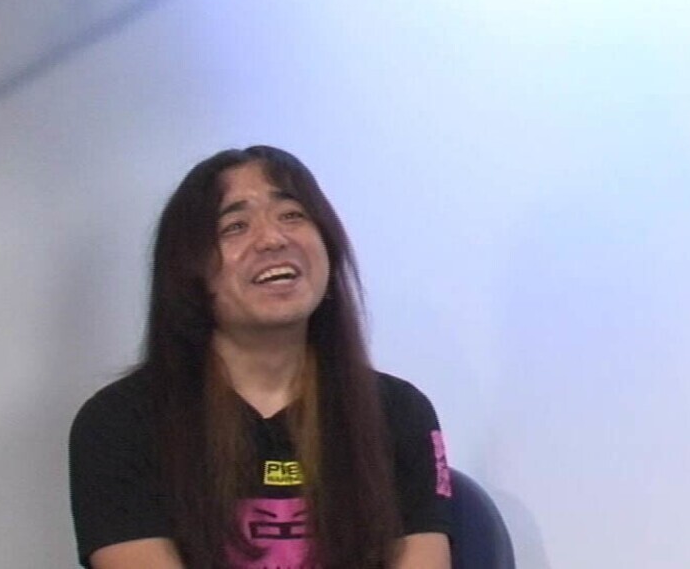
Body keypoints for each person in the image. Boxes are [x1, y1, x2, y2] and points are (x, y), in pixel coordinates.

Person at [68, 146, 453, 569]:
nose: (273, 239)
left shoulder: (398, 413)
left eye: (292, 215)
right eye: (235, 226)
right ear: (187, 272)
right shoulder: (119, 424)